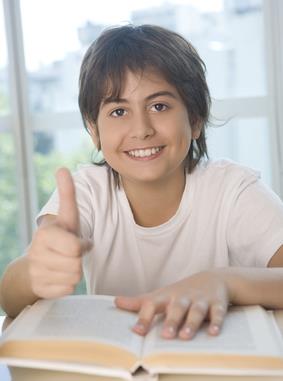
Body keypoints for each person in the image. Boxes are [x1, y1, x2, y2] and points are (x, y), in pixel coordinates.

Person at [1, 24, 283, 341]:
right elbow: (10, 296)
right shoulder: (87, 192)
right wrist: (34, 273)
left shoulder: (232, 189)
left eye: (159, 106)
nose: (141, 129)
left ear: (195, 120)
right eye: (119, 110)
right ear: (94, 130)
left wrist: (224, 282)